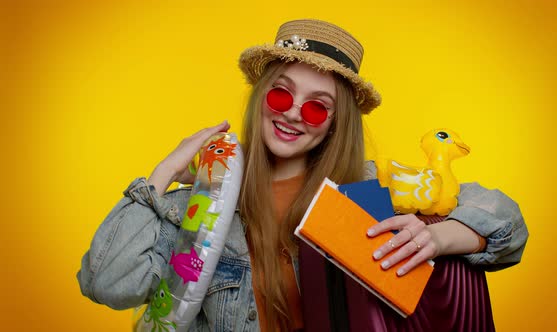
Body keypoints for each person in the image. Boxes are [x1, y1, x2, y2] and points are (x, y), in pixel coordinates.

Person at [77, 19, 528, 331]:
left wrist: (440, 237)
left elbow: (506, 222)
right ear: (260, 99)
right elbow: (106, 283)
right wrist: (163, 173)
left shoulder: (367, 190)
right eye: (280, 96)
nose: (293, 114)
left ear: (335, 122)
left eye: (316, 106)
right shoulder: (194, 206)